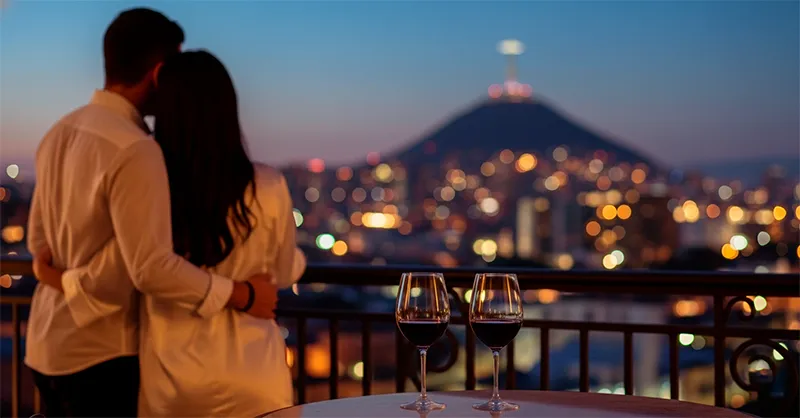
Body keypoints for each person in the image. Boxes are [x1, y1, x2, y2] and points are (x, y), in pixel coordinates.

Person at [25, 8, 280, 417]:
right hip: (103, 353)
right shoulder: (136, 149)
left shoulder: (59, 131)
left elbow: (39, 242)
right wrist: (242, 294)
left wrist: (52, 276)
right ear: (160, 73)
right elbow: (146, 267)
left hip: (44, 345)